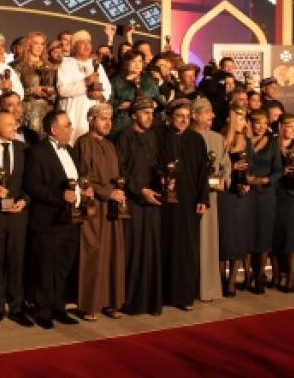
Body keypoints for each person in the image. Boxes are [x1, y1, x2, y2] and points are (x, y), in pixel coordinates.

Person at [24, 109, 81, 329]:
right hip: (47, 221)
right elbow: (32, 186)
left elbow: (76, 179)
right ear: (54, 130)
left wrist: (84, 190)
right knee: (45, 268)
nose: (71, 129)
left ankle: (58, 307)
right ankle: (43, 311)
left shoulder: (72, 150)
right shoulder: (37, 152)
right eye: (67, 125)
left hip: (70, 220)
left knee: (64, 267)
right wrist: (59, 196)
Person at [73, 104, 126, 320]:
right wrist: (106, 192)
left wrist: (118, 192)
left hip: (112, 207)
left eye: (110, 119)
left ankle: (112, 302)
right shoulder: (83, 143)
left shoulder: (110, 145)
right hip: (93, 205)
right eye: (103, 118)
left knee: (113, 253)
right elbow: (83, 177)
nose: (108, 123)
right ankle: (89, 304)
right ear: (91, 119)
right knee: (93, 253)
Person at [156, 99, 209, 310]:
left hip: (189, 202)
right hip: (164, 202)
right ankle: (161, 295)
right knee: (164, 246)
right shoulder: (158, 136)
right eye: (179, 116)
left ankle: (184, 296)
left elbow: (203, 172)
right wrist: (160, 179)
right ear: (169, 117)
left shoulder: (196, 139)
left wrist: (203, 199)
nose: (183, 121)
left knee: (186, 249)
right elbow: (152, 165)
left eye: (187, 117)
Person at [115, 97, 163, 315]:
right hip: (133, 201)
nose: (150, 117)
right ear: (134, 115)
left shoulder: (153, 136)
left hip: (151, 200)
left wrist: (164, 179)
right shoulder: (123, 137)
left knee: (150, 251)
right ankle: (130, 301)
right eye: (145, 113)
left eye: (152, 113)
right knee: (133, 251)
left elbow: (156, 165)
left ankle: (150, 301)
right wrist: (139, 190)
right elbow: (121, 171)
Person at [0, 111, 32, 327]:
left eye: (15, 123)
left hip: (17, 215)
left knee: (17, 263)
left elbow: (30, 182)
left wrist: (24, 201)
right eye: (10, 124)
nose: (15, 127)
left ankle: (16, 308)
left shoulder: (24, 149)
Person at [190, 98, 228, 302]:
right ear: (194, 115)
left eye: (212, 111)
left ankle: (208, 289)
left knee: (208, 243)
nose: (212, 115)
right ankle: (188, 288)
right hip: (190, 198)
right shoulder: (185, 137)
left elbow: (225, 166)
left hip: (211, 198)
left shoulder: (217, 138)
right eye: (207, 112)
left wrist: (224, 181)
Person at [244, 109, 282, 294]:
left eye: (264, 123)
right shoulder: (243, 141)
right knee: (247, 234)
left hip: (266, 194)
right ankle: (247, 275)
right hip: (246, 193)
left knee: (264, 235)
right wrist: (247, 180)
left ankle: (259, 276)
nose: (260, 126)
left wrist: (266, 180)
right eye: (257, 122)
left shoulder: (273, 143)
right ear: (250, 123)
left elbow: (278, 170)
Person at [218, 108, 253, 296]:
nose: (244, 122)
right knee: (223, 239)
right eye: (240, 119)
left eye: (245, 119)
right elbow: (214, 170)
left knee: (238, 239)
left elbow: (251, 169)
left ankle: (232, 281)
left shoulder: (247, 142)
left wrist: (247, 183)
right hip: (224, 195)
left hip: (240, 197)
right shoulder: (219, 140)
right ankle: (220, 279)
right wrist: (232, 167)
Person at [57, 30, 111, 144]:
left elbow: (107, 90)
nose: (87, 46)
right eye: (83, 43)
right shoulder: (66, 63)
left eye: (89, 43)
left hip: (92, 116)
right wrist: (85, 82)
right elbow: (62, 90)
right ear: (74, 46)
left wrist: (100, 94)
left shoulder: (97, 65)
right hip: (73, 114)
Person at [273, 114, 294, 292]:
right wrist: (282, 172)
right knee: (275, 235)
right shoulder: (272, 145)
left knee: (291, 236)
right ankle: (276, 275)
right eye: (290, 126)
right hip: (275, 195)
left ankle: (291, 278)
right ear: (281, 127)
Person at [14, 31, 57, 139]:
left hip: (46, 110)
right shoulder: (19, 66)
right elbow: (14, 91)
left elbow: (56, 89)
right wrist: (31, 90)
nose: (39, 47)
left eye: (42, 44)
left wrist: (51, 93)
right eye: (36, 43)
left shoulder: (50, 67)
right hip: (28, 109)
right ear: (29, 45)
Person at [109, 50, 161, 138]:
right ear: (126, 63)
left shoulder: (148, 79)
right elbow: (109, 103)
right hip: (124, 120)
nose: (137, 65)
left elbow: (158, 98)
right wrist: (120, 106)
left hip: (146, 118)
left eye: (140, 61)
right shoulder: (116, 81)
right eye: (133, 61)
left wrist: (156, 103)